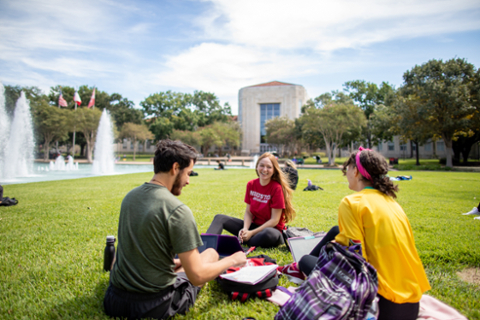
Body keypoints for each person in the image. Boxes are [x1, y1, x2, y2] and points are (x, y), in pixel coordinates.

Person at [281, 147, 430, 320]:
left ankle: (296, 269)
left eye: (348, 168)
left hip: (378, 303)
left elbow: (353, 259)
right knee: (335, 234)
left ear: (357, 172)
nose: (346, 173)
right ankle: (297, 269)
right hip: (410, 305)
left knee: (306, 261)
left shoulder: (352, 202)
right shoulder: (393, 204)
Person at [104, 140, 246, 320]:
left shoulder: (130, 197)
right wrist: (233, 259)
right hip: (154, 306)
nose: (188, 180)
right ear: (175, 167)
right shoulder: (177, 210)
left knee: (193, 258)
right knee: (210, 254)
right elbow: (197, 276)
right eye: (187, 173)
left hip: (114, 300)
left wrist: (171, 263)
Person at [206, 152, 295, 248]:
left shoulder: (276, 188)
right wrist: (245, 229)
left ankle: (238, 243)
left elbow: (274, 220)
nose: (265, 169)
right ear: (257, 167)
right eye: (262, 165)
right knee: (220, 218)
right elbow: (248, 212)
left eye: (269, 167)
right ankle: (206, 245)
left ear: (274, 170)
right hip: (254, 226)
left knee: (269, 234)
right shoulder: (251, 184)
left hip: (271, 230)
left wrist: (251, 233)